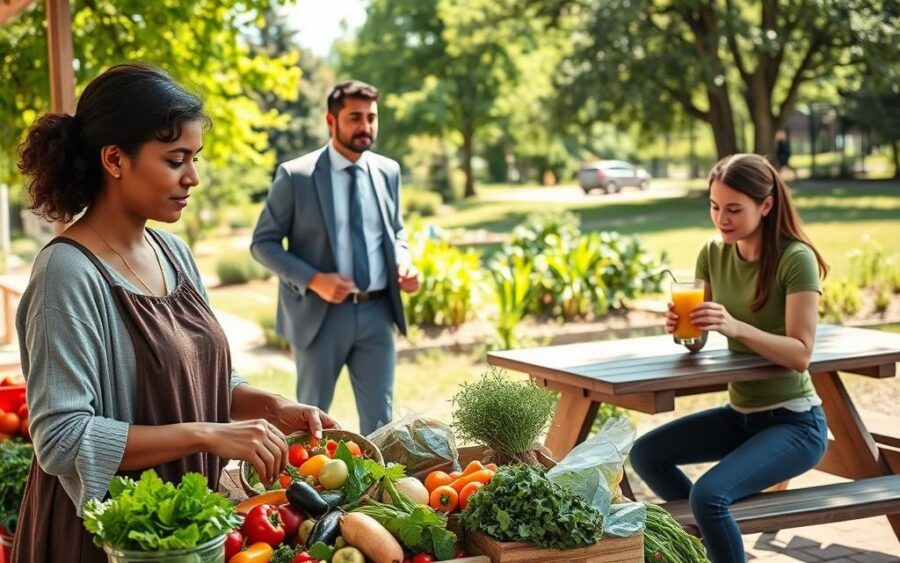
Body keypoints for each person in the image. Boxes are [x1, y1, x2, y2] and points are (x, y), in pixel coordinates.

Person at [12, 63, 337, 563]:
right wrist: (208, 434)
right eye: (175, 160)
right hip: (106, 539)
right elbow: (62, 439)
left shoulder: (174, 254)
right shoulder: (66, 274)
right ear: (115, 159)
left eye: (194, 158)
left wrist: (270, 405)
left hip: (183, 528)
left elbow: (199, 379)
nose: (193, 177)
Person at [629, 153, 829, 563]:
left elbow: (801, 353)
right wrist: (686, 329)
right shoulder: (712, 253)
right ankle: (712, 545)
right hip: (741, 417)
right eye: (715, 206)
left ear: (766, 205)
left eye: (734, 209)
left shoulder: (796, 258)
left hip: (796, 421)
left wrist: (736, 327)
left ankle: (716, 542)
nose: (722, 218)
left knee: (709, 496)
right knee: (647, 455)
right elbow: (699, 341)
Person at [251, 80, 419, 436]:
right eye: (355, 117)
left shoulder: (388, 171)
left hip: (378, 313)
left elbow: (396, 231)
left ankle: (376, 474)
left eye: (371, 117)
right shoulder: (296, 176)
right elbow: (263, 243)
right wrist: (314, 279)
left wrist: (404, 261)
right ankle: (310, 474)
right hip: (320, 316)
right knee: (311, 422)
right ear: (331, 121)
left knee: (382, 422)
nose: (365, 126)